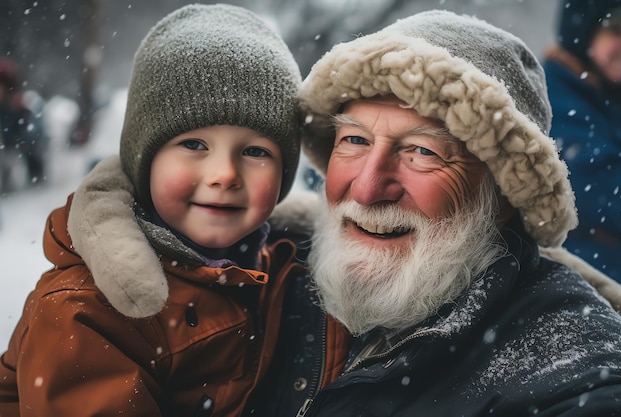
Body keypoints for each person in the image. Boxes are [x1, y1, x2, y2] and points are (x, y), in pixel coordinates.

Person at [53, 9, 621, 417]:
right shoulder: (268, 270)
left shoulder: (565, 361)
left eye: (423, 151)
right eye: (352, 141)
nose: (369, 185)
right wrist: (113, 202)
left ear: (504, 193)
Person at [0, 4, 355, 417]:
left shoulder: (285, 263)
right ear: (144, 160)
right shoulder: (87, 311)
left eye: (255, 151)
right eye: (194, 145)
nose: (224, 174)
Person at [543, 0, 621, 283]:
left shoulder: (608, 95)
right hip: (585, 291)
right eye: (616, 29)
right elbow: (602, 192)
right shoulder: (555, 99)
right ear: (582, 31)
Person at [0, 56, 48, 188]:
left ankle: (36, 176)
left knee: (31, 147)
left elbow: (29, 131)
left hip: (18, 139)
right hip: (10, 141)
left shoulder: (19, 105)